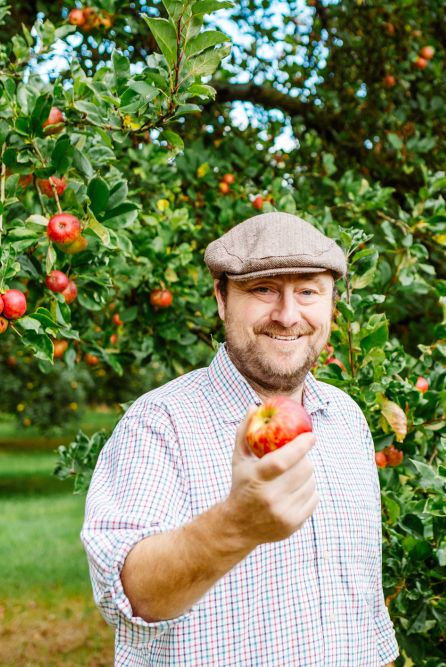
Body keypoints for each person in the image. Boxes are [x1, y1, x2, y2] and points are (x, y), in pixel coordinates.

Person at [82, 212, 399, 666]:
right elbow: (130, 599)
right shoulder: (159, 424)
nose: (288, 315)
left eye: (308, 291)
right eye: (263, 289)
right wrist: (236, 525)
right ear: (222, 298)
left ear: (331, 304)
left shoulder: (347, 420)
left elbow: (363, 609)